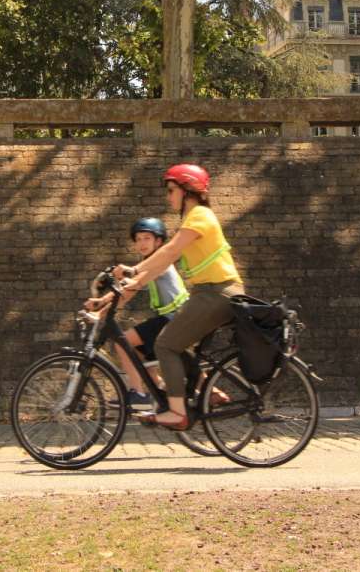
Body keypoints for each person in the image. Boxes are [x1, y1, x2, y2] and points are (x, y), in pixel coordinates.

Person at [115, 164, 244, 430]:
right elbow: (161, 264)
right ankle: (195, 393)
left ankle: (177, 412)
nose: (169, 196)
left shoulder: (200, 215)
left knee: (164, 345)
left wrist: (135, 269)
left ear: (188, 191)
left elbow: (170, 251)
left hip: (217, 293)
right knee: (175, 346)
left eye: (172, 190)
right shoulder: (192, 220)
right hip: (208, 294)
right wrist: (128, 283)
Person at [84, 218, 189, 410]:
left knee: (123, 343)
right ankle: (161, 400)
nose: (141, 243)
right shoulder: (147, 263)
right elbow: (127, 293)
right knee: (139, 357)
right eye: (138, 239)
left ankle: (138, 395)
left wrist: (102, 308)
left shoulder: (160, 262)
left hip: (176, 317)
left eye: (147, 238)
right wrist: (102, 304)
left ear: (158, 242)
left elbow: (129, 288)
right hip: (169, 318)